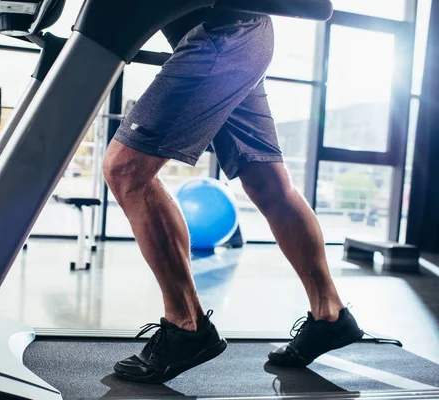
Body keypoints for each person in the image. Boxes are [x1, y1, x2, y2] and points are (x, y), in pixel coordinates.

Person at [102, 8, 364, 384]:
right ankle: (330, 316)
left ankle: (186, 326)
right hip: (239, 35)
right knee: (268, 183)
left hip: (224, 35)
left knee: (126, 169)